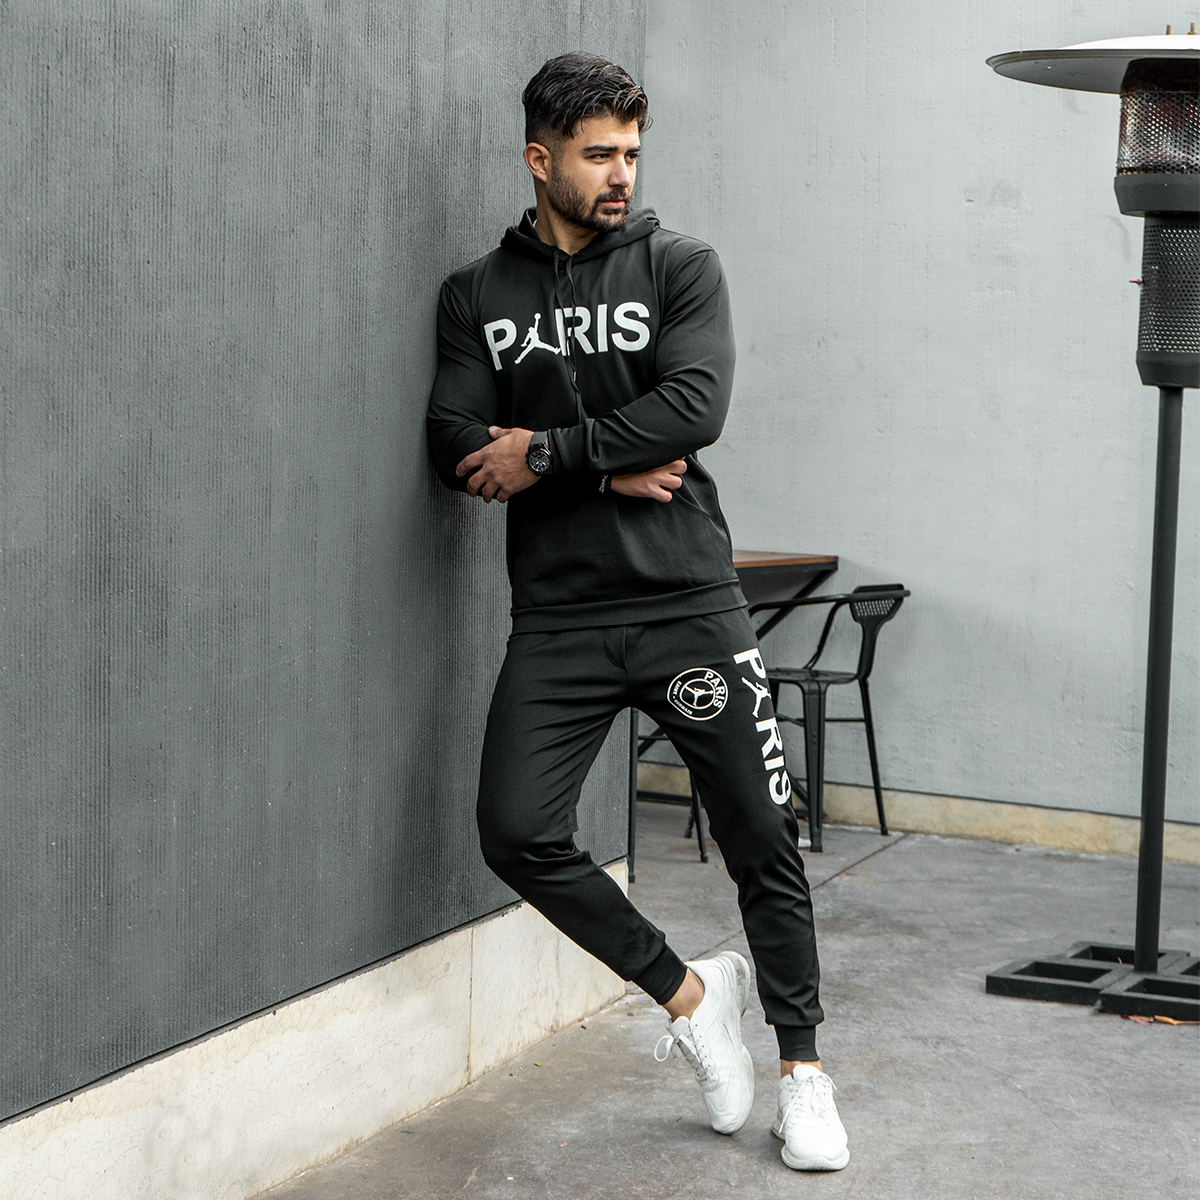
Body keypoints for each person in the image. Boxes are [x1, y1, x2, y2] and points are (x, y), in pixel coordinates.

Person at [426, 52, 849, 1173]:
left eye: (631, 153)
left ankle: (804, 1074)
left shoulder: (679, 267)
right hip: (559, 619)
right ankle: (691, 995)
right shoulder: (477, 294)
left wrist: (547, 454)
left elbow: (694, 406)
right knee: (517, 832)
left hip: (685, 605)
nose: (621, 174)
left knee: (762, 833)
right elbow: (453, 440)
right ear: (539, 159)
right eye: (598, 154)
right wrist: (607, 466)